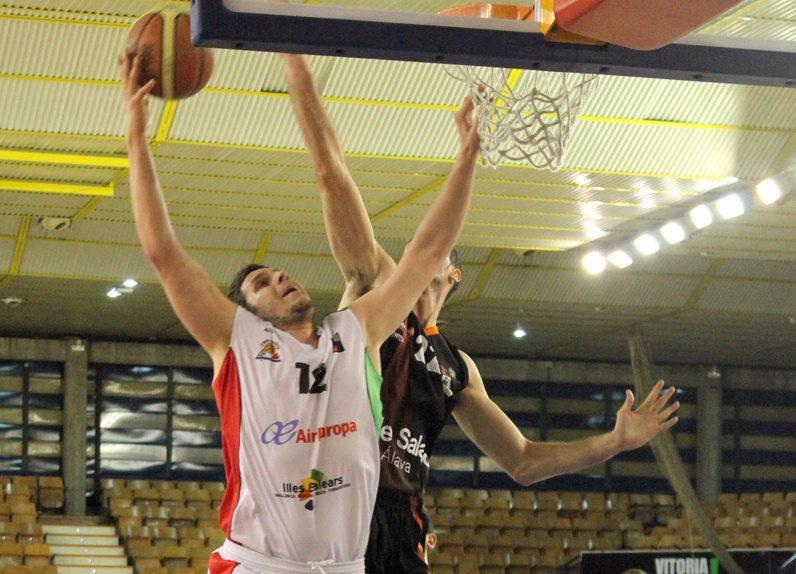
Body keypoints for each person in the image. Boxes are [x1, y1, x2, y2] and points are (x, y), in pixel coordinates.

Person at [281, 53, 681, 574]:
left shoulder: (458, 367)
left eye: (436, 253)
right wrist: (298, 71)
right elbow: (330, 175)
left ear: (453, 274)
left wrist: (614, 442)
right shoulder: (375, 288)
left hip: (400, 519)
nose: (419, 256)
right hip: (333, 495)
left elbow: (521, 460)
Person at [119, 48, 480, 574]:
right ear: (247, 313)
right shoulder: (237, 343)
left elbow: (426, 252)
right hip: (261, 565)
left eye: (279, 272)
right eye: (261, 284)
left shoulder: (358, 332)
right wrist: (135, 133)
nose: (280, 278)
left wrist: (466, 157)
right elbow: (163, 252)